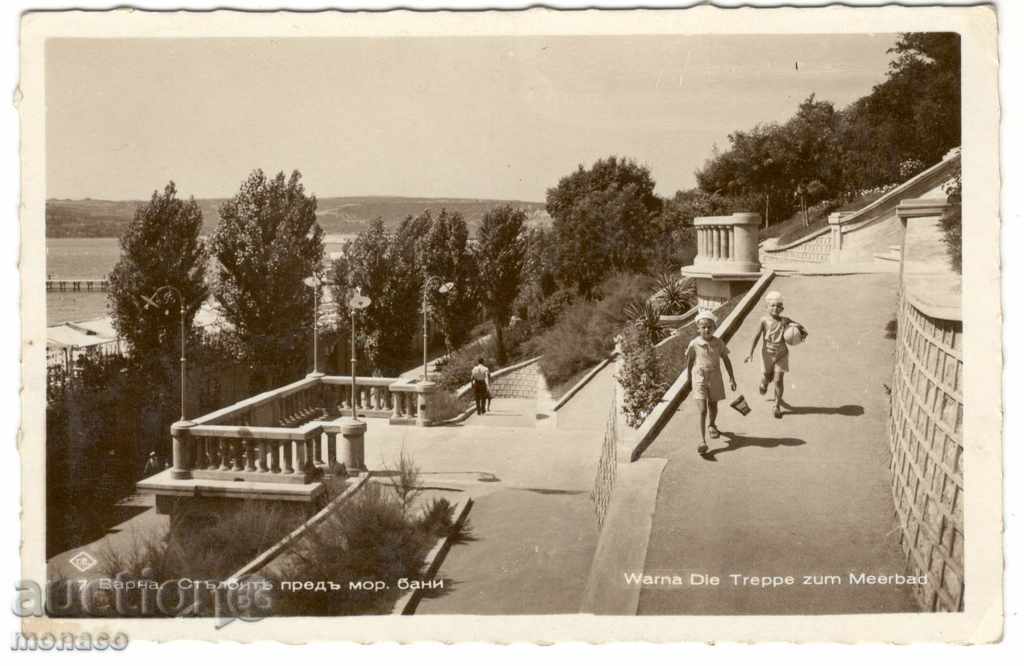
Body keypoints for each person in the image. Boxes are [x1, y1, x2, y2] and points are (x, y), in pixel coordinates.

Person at [745, 290, 807, 419]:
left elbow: (802, 329)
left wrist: (799, 329)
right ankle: (764, 382)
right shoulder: (763, 321)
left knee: (778, 380)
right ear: (766, 307)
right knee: (767, 377)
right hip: (767, 354)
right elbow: (756, 337)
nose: (775, 308)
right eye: (772, 305)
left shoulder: (785, 320)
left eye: (779, 306)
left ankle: (777, 405)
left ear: (782, 308)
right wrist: (750, 353)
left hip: (782, 354)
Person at [686, 310, 737, 455]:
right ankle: (702, 441)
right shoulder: (694, 344)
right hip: (699, 378)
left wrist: (731, 378)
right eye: (703, 327)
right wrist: (688, 378)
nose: (706, 329)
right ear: (698, 328)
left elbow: (726, 360)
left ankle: (712, 424)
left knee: (713, 404)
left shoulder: (718, 342)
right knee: (703, 410)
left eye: (709, 327)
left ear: (714, 327)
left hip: (715, 376)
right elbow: (689, 362)